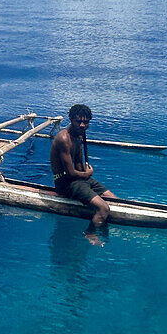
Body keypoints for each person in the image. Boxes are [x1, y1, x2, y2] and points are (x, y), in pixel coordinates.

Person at [50, 104, 117, 244]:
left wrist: (86, 175)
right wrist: (87, 175)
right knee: (104, 208)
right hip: (65, 183)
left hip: (78, 179)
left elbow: (79, 165)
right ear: (70, 119)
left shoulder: (79, 136)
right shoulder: (64, 139)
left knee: (114, 198)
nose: (82, 125)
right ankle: (90, 232)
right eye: (78, 121)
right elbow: (69, 173)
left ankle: (101, 219)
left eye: (86, 122)